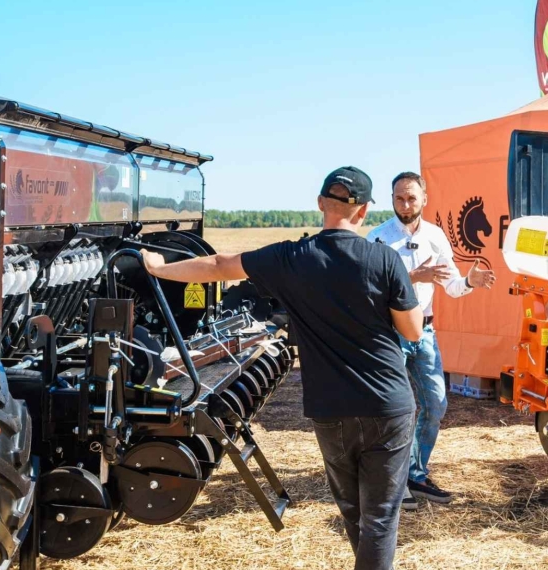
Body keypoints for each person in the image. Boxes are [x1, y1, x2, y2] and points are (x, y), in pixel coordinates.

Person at [142, 166, 423, 570]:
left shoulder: (290, 258)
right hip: (388, 406)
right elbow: (412, 332)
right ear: (362, 212)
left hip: (331, 408)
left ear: (321, 204)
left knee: (353, 511)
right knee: (380, 518)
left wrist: (158, 268)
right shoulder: (383, 259)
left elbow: (219, 265)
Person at [367, 171, 496, 509]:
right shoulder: (377, 239)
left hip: (425, 332)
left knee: (435, 404)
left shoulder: (437, 236)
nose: (405, 205)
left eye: (411, 198)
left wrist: (470, 280)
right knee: (397, 410)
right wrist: (411, 277)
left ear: (425, 198)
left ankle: (416, 474)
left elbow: (451, 287)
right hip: (389, 333)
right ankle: (395, 481)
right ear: (391, 198)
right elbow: (368, 292)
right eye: (399, 198)